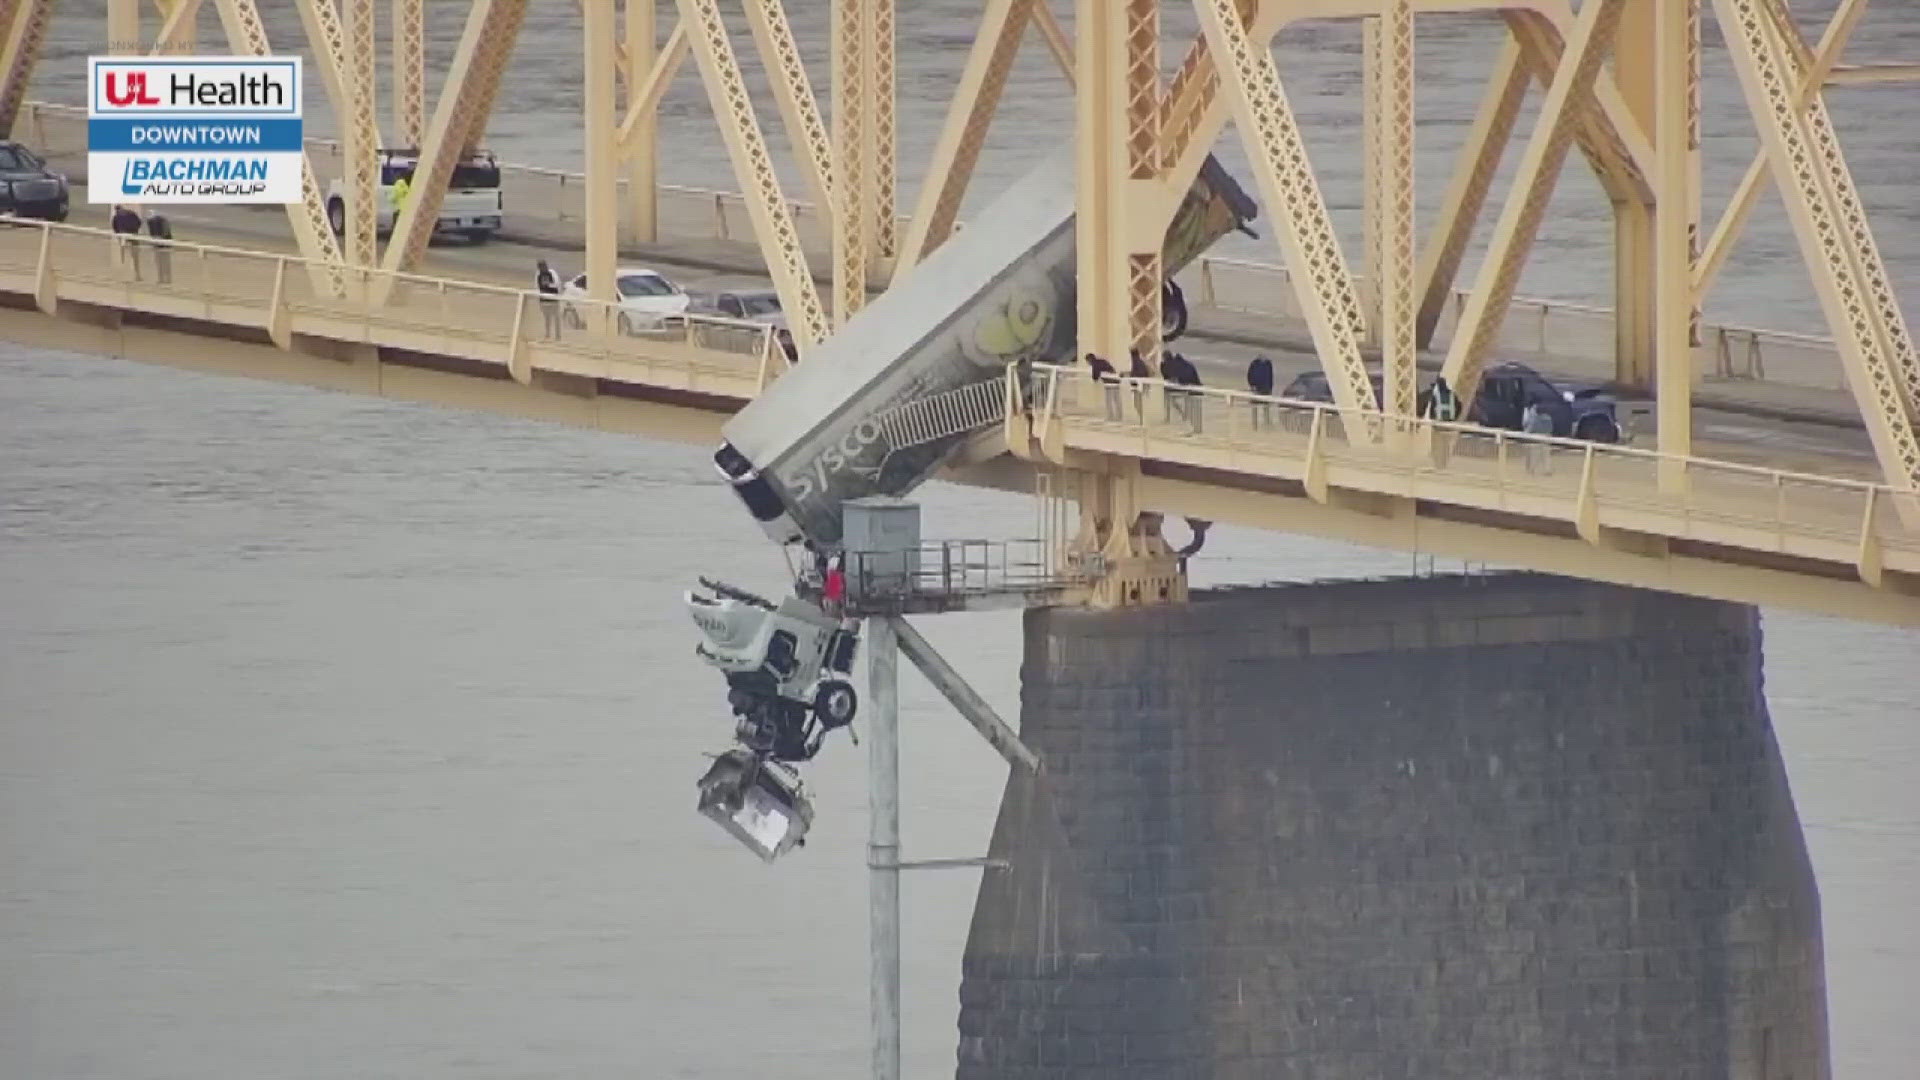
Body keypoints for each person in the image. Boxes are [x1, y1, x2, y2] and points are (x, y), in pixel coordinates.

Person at [110, 204, 143, 280]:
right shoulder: (131, 213)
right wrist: (135, 230)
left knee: (124, 256)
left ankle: (125, 274)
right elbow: (139, 222)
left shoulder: (116, 217)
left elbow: (115, 229)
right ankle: (136, 274)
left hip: (124, 236)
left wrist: (119, 236)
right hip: (133, 235)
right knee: (134, 256)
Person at [1522, 400, 1555, 475]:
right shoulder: (1548, 418)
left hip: (1536, 436)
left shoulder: (1535, 418)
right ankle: (1547, 470)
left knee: (1535, 454)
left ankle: (1532, 469)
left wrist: (1526, 433)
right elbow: (1551, 428)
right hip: (1547, 436)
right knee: (1546, 454)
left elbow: (1531, 427)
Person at [1086, 352, 1120, 420]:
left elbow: (1095, 376)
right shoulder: (1102, 361)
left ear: (1089, 360)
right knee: (1116, 399)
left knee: (1109, 400)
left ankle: (1111, 416)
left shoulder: (1095, 364)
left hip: (1109, 383)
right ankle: (1119, 416)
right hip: (1116, 380)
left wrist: (1093, 380)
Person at [534, 259, 562, 339]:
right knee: (547, 319)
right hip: (544, 302)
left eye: (543, 266)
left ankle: (558, 336)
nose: (542, 268)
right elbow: (536, 287)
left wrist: (549, 285)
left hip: (554, 301)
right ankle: (547, 335)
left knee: (556, 318)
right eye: (540, 267)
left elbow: (557, 284)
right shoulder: (538, 275)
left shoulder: (552, 273)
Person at [144, 209, 173, 285]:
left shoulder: (161, 221)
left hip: (164, 245)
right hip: (159, 244)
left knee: (164, 262)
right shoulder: (153, 221)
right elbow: (153, 234)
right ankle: (162, 278)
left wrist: (160, 239)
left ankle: (166, 278)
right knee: (160, 262)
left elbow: (165, 233)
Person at [1246, 355, 1274, 430]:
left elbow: (1270, 376)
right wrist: (1252, 386)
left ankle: (1266, 423)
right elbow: (1249, 375)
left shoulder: (1268, 364)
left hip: (1266, 388)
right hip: (1256, 388)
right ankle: (1255, 425)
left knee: (1266, 408)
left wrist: (1270, 388)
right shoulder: (1254, 363)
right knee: (1255, 408)